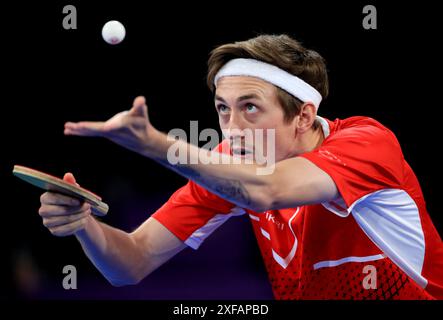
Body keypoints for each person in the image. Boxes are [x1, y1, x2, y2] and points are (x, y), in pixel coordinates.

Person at [38, 34, 443, 299]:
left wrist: (156, 145)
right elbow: (130, 262)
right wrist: (84, 225)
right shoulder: (229, 171)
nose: (232, 130)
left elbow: (266, 190)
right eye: (222, 110)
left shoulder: (367, 143)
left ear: (303, 116)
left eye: (250, 108)